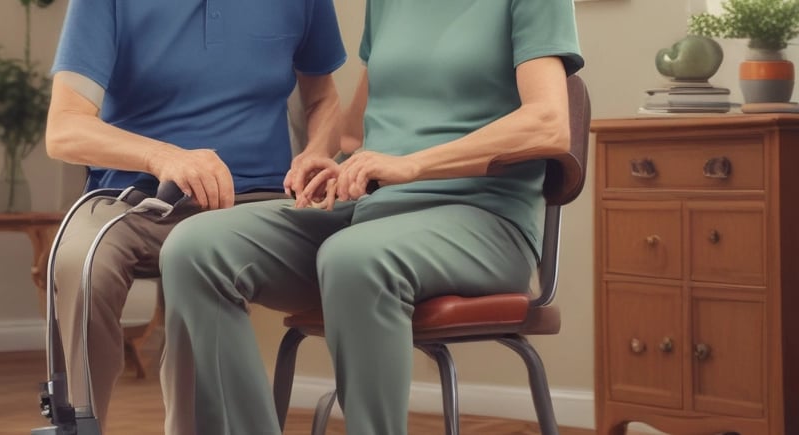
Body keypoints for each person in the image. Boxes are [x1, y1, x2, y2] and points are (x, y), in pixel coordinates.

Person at [157, 0, 585, 433]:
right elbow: (354, 134)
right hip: (371, 214)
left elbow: (547, 123)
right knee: (194, 249)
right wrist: (329, 161)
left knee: (354, 259)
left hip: (485, 220)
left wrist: (415, 164)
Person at [42, 0, 347, 431]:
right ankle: (78, 426)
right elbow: (64, 127)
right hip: (132, 198)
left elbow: (323, 99)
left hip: (253, 204)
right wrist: (164, 158)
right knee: (82, 262)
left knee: (200, 265)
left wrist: (316, 153)